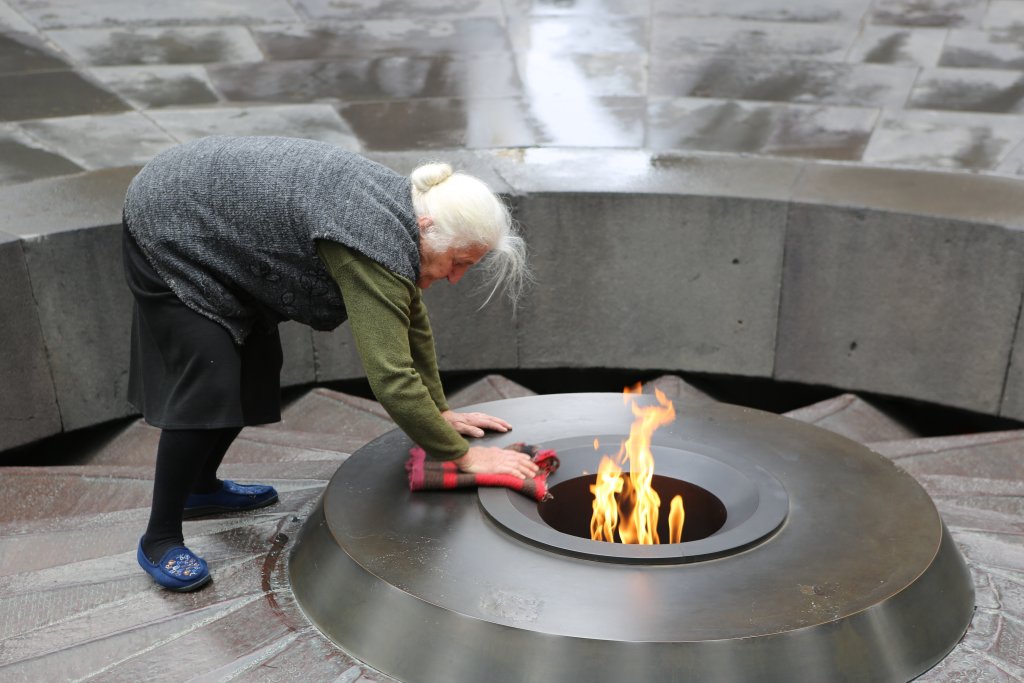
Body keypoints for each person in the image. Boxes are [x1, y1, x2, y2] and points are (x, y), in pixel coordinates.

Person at [122, 136, 538, 592]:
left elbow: (411, 321)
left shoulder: (406, 220)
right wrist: (462, 456)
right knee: (210, 376)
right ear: (427, 227)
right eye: (457, 263)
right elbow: (392, 377)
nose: (455, 278)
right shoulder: (372, 239)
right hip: (170, 222)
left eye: (467, 268)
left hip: (211, 222)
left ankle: (199, 488)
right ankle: (160, 538)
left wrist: (438, 411)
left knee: (251, 365)